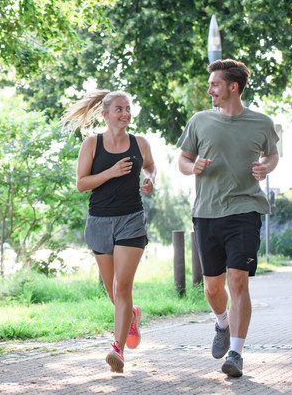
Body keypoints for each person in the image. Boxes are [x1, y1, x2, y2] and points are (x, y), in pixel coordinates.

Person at [177, 59, 279, 378]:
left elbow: (272, 153)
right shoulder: (200, 121)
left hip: (245, 210)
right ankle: (222, 323)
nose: (209, 90)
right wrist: (191, 167)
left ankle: (236, 353)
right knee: (212, 288)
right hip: (206, 213)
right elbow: (182, 159)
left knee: (238, 281)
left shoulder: (261, 122)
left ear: (233, 87)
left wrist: (267, 166)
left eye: (215, 84)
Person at [62, 89, 156, 374]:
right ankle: (132, 315)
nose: (125, 114)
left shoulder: (140, 143)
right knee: (112, 291)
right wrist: (111, 173)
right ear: (105, 114)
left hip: (131, 220)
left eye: (128, 108)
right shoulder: (92, 144)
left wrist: (149, 180)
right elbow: (81, 183)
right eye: (119, 109)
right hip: (100, 221)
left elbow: (150, 167)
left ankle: (118, 350)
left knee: (122, 287)